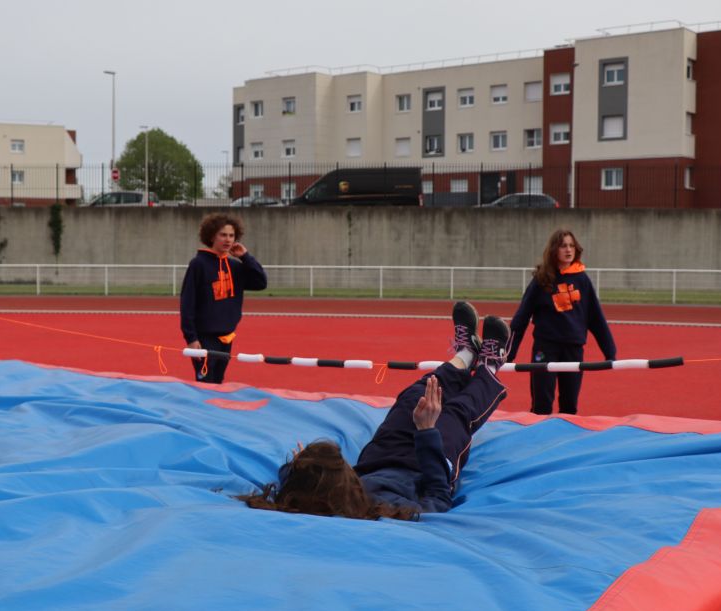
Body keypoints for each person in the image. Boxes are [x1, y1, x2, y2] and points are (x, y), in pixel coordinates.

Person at [238, 303, 509, 520]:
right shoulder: (386, 508)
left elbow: (295, 484)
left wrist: (298, 467)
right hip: (426, 466)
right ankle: (490, 364)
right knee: (455, 413)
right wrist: (427, 432)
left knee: (413, 397)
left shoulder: (321, 492)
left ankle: (465, 354)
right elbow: (437, 498)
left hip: (381, 456)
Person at [507, 228, 616, 416]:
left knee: (569, 406)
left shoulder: (582, 279)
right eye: (563, 246)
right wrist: (509, 353)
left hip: (573, 350)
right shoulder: (541, 280)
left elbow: (596, 318)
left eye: (572, 246)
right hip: (545, 349)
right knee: (541, 406)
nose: (568, 250)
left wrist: (610, 352)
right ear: (554, 249)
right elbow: (521, 318)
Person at [179, 213, 267, 384]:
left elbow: (261, 282)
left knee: (218, 382)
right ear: (212, 236)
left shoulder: (235, 267)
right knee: (206, 384)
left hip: (227, 337)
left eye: (231, 235)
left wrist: (245, 257)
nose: (228, 240)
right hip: (204, 338)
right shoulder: (198, 264)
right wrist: (191, 338)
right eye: (223, 235)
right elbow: (187, 303)